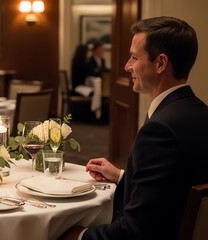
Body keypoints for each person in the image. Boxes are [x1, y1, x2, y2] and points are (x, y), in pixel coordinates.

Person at [60, 16, 208, 240]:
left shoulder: (160, 130)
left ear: (160, 63)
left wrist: (78, 235)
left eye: (133, 57)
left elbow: (135, 232)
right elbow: (173, 187)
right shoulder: (198, 112)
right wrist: (122, 177)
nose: (126, 66)